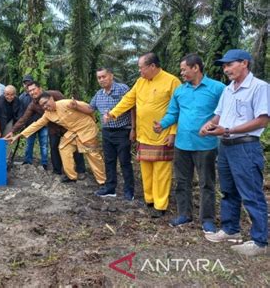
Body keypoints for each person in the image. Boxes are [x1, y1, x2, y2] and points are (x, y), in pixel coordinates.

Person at [200, 49, 269, 257]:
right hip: (226, 147)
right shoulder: (229, 89)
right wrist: (208, 125)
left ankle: (260, 241)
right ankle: (231, 230)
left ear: (244, 63)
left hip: (245, 147)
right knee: (228, 191)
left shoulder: (259, 87)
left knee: (252, 194)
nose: (226, 69)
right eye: (224, 65)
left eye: (230, 64)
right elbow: (219, 116)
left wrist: (227, 130)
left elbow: (262, 119)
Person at [153, 54, 225, 233]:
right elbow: (173, 113)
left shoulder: (217, 88)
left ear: (196, 68)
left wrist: (215, 125)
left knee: (206, 183)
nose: (181, 73)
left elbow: (226, 111)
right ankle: (184, 214)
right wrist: (162, 124)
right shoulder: (180, 91)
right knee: (182, 181)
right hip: (182, 144)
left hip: (206, 145)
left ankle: (207, 219)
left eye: (184, 69)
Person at [107, 53, 181, 218]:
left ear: (152, 66)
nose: (139, 71)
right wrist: (113, 113)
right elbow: (128, 99)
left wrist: (173, 132)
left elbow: (177, 110)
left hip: (162, 135)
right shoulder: (140, 82)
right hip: (144, 135)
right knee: (146, 170)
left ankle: (160, 205)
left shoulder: (172, 81)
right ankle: (149, 199)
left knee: (161, 172)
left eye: (141, 67)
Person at [70, 67, 136, 200]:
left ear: (111, 76)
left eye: (104, 76)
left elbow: (132, 107)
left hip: (123, 130)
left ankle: (129, 191)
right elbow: (90, 108)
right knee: (109, 161)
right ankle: (110, 188)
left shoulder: (122, 89)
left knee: (125, 161)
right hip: (107, 132)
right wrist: (76, 105)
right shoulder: (99, 94)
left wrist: (134, 128)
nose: (101, 79)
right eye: (99, 77)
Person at [10, 93, 106, 184]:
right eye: (42, 106)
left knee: (92, 154)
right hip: (73, 132)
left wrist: (81, 110)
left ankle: (103, 181)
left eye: (45, 103)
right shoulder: (48, 114)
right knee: (63, 147)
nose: (45, 106)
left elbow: (90, 108)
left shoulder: (66, 103)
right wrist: (19, 135)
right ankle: (71, 176)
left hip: (87, 129)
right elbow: (36, 125)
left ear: (51, 99)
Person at [6, 82, 86, 176]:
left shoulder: (54, 94)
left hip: (67, 125)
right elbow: (24, 119)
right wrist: (12, 131)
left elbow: (69, 106)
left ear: (40, 88)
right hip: (53, 127)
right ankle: (57, 171)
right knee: (54, 148)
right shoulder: (33, 104)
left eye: (33, 89)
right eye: (29, 91)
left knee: (75, 146)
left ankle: (81, 171)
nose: (32, 92)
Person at [18, 75, 47, 166]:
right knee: (29, 144)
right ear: (23, 85)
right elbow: (21, 112)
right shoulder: (22, 97)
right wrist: (21, 125)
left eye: (28, 82)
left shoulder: (42, 95)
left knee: (44, 144)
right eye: (25, 83)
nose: (26, 85)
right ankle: (27, 161)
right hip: (29, 125)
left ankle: (44, 163)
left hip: (43, 124)